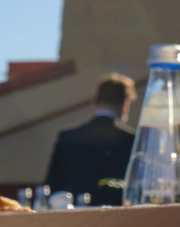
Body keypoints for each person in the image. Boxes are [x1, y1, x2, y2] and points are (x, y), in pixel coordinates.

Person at [46, 74, 136, 203]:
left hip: (72, 217)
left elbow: (51, 186)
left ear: (96, 101)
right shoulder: (131, 141)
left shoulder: (67, 137)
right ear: (124, 104)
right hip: (116, 218)